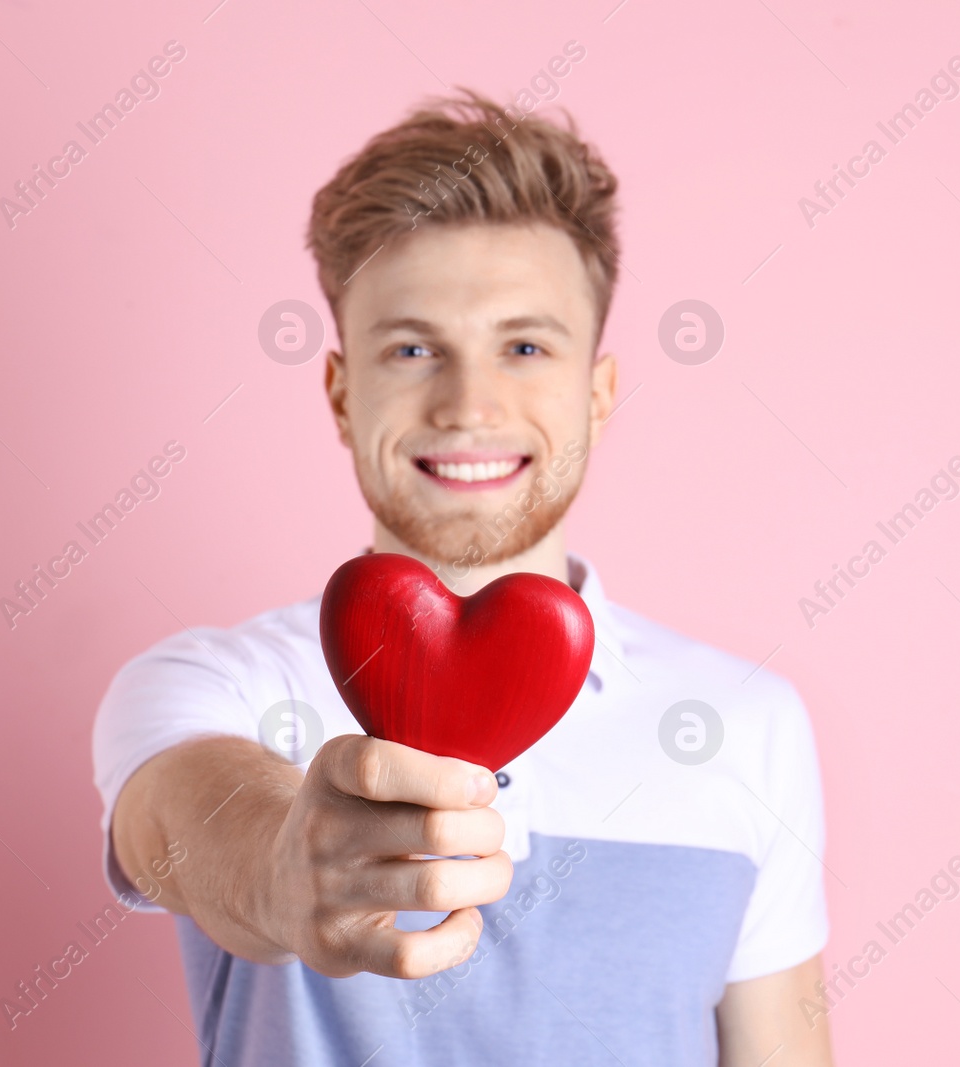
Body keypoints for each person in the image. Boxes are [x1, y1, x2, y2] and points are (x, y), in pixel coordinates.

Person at [94, 88, 834, 1066]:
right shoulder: (204, 684)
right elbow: (182, 821)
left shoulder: (747, 722)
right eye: (410, 349)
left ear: (598, 393)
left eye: (525, 346)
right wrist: (287, 862)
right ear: (342, 392)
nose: (468, 402)